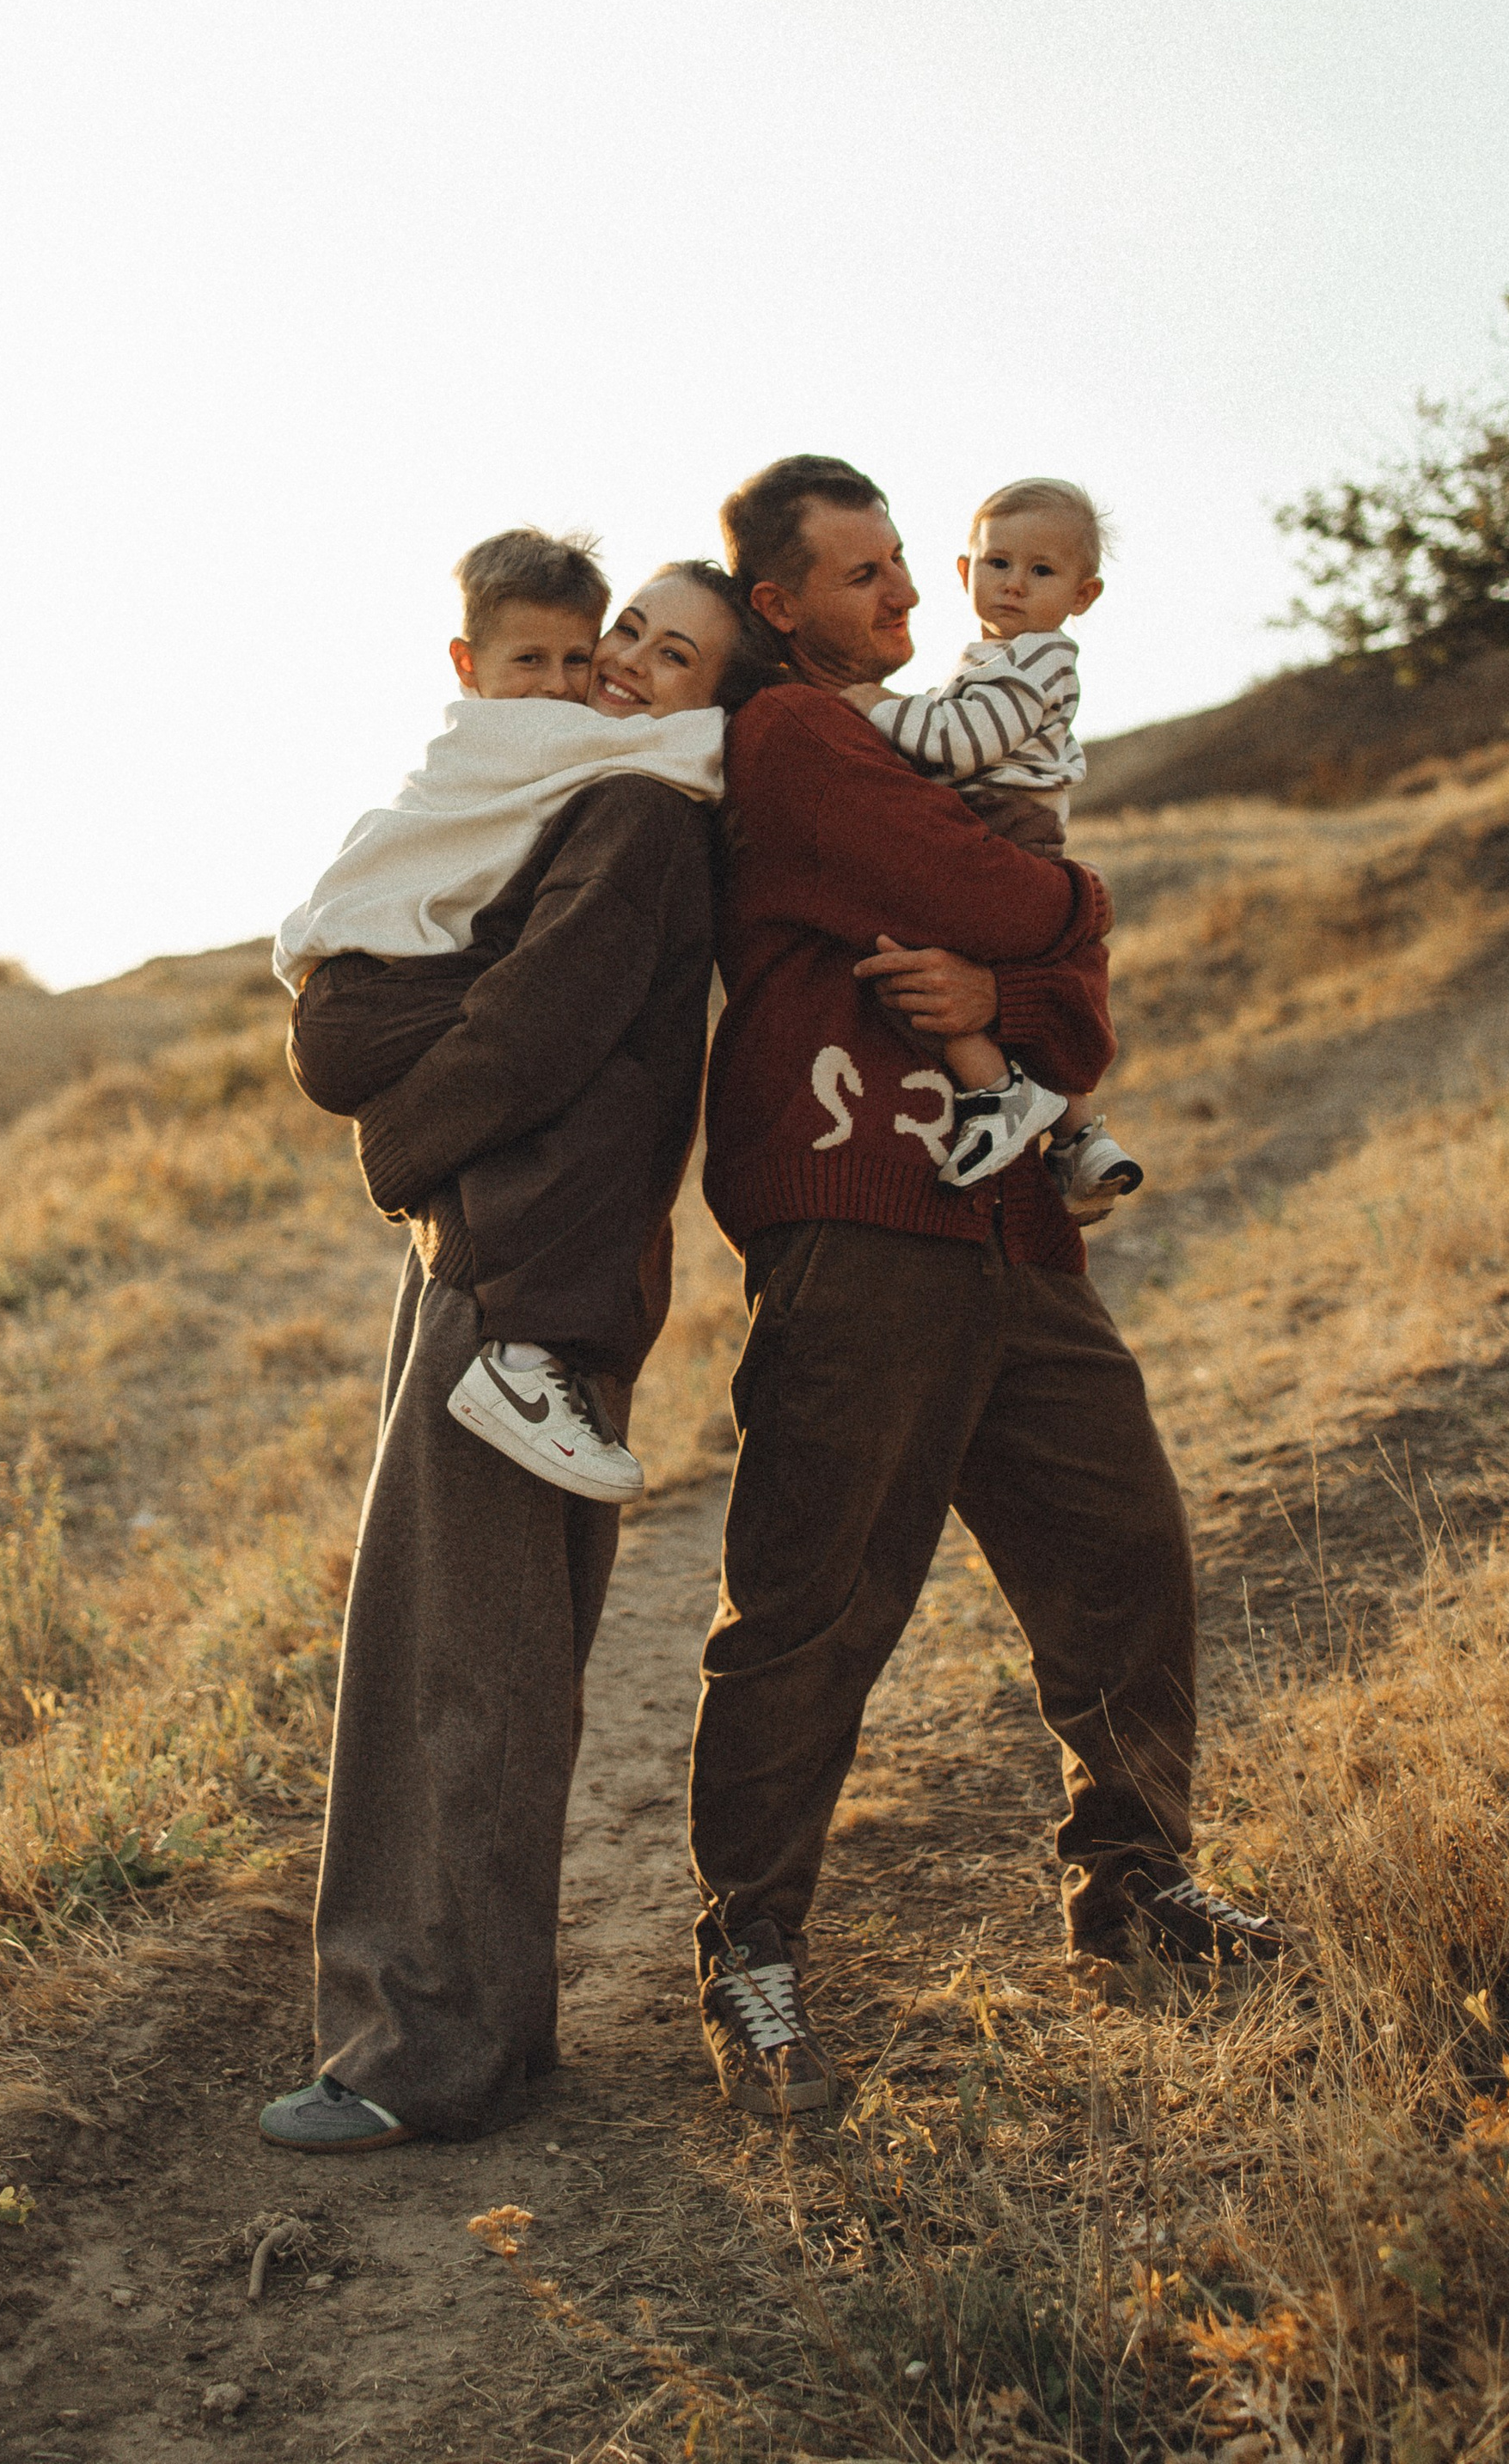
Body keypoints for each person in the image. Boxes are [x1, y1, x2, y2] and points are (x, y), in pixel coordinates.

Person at [688, 453, 1283, 2119]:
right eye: (863, 573)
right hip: (861, 1210)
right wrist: (1060, 915)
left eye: (903, 567)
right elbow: (1017, 904)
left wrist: (1014, 986)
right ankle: (751, 1956)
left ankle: (1135, 1887)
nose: (901, 596)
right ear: (778, 604)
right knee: (816, 1596)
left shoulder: (935, 731)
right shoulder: (797, 737)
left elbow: (1078, 1017)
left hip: (1014, 1221)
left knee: (1124, 1548)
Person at [260, 547, 773, 2154]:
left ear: (713, 706)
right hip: (528, 1262)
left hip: (514, 1276)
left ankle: (430, 2058)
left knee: (457, 1659)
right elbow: (525, 1010)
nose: (614, 669)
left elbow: (537, 1031)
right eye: (619, 635)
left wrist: (386, 1123)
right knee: (494, 1650)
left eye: (660, 658)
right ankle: (487, 2027)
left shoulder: (625, 817)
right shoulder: (590, 809)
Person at [274, 527, 730, 1500]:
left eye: (577, 656)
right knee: (600, 1078)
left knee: (591, 1069)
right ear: (466, 666)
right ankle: (521, 1368)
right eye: (530, 660)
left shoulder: (536, 735)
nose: (562, 684)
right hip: (368, 1000)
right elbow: (688, 752)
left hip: (374, 994)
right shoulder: (526, 736)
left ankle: (527, 1364)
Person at [844, 474, 1145, 1204]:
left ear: (1083, 595)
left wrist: (874, 706)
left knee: (915, 956)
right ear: (964, 571)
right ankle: (1079, 1133)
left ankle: (1000, 1093)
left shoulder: (1042, 657)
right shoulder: (995, 658)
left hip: (1006, 819)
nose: (1013, 585)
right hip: (997, 817)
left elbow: (965, 742)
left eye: (1041, 572)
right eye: (998, 563)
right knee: (957, 969)